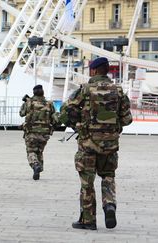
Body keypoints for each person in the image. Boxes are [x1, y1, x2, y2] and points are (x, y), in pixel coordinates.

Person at [60, 57, 132, 230]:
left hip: (88, 145)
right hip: (110, 145)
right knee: (108, 176)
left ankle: (88, 220)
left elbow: (65, 113)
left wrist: (77, 124)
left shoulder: (84, 90)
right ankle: (109, 205)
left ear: (93, 71)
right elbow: (127, 119)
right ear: (106, 71)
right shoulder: (118, 91)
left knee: (87, 183)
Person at [19, 85, 57, 180]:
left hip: (31, 131)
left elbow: (21, 113)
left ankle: (35, 165)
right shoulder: (49, 103)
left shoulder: (29, 102)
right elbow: (55, 117)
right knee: (39, 151)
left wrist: (25, 102)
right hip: (45, 132)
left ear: (34, 92)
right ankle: (38, 170)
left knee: (31, 151)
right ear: (43, 92)